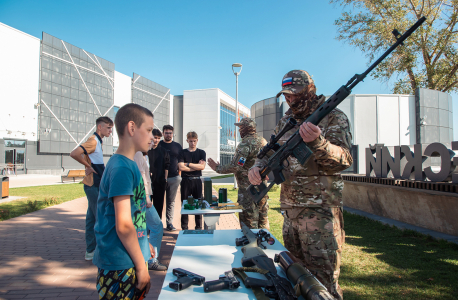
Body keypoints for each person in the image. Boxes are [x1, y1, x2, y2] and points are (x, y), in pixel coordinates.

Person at [248, 70, 353, 300]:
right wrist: (256, 167)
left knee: (324, 287)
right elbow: (269, 152)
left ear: (309, 91)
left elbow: (345, 159)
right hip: (290, 216)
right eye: (286, 95)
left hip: (320, 217)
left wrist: (319, 143)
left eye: (295, 94)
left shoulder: (334, 117)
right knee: (295, 280)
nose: (290, 99)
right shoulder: (287, 121)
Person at [93, 103, 153, 299]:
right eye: (149, 130)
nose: (153, 137)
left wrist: (144, 243)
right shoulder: (121, 168)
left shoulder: (129, 164)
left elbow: (135, 217)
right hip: (120, 265)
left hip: (129, 258)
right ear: (132, 128)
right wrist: (141, 267)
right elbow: (124, 225)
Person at [208, 117, 269, 229]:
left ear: (245, 128)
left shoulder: (245, 144)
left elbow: (236, 166)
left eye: (240, 127)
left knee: (249, 221)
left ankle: (251, 244)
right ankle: (265, 244)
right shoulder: (263, 141)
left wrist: (217, 168)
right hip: (262, 188)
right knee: (263, 220)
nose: (239, 130)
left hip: (248, 190)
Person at [70, 116, 113, 261]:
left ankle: (90, 251)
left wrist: (88, 165)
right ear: (99, 127)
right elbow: (74, 153)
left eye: (111, 128)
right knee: (100, 218)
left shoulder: (97, 142)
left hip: (95, 185)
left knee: (91, 218)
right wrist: (88, 166)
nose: (110, 131)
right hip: (93, 186)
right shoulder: (93, 141)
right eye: (108, 128)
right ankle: (100, 251)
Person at [134, 150, 167, 271]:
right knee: (156, 226)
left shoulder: (142, 155)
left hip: (142, 197)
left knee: (149, 227)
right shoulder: (137, 154)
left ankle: (148, 259)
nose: (151, 142)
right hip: (142, 198)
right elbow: (140, 178)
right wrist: (147, 197)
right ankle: (150, 260)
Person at [177, 131, 206, 230]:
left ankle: (198, 227)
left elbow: (202, 167)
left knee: (198, 203)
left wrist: (188, 164)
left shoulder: (201, 152)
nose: (192, 143)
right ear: (187, 141)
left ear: (197, 140)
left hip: (197, 181)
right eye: (190, 141)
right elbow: (181, 167)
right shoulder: (182, 152)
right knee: (185, 203)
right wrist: (196, 166)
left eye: (194, 141)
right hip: (185, 181)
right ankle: (184, 228)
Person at [159, 125, 183, 231]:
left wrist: (179, 175)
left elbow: (181, 161)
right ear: (163, 133)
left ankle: (169, 223)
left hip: (174, 178)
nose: (168, 135)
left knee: (171, 202)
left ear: (173, 134)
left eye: (170, 133)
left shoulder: (177, 146)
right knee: (158, 202)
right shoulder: (158, 145)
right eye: (166, 132)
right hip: (159, 178)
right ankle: (157, 224)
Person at [147, 129, 170, 219]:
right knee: (146, 205)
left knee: (158, 206)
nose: (156, 140)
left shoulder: (164, 151)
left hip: (160, 182)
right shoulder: (145, 150)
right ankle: (147, 228)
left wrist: (165, 179)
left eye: (158, 138)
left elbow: (167, 167)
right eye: (155, 137)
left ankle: (157, 227)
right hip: (147, 183)